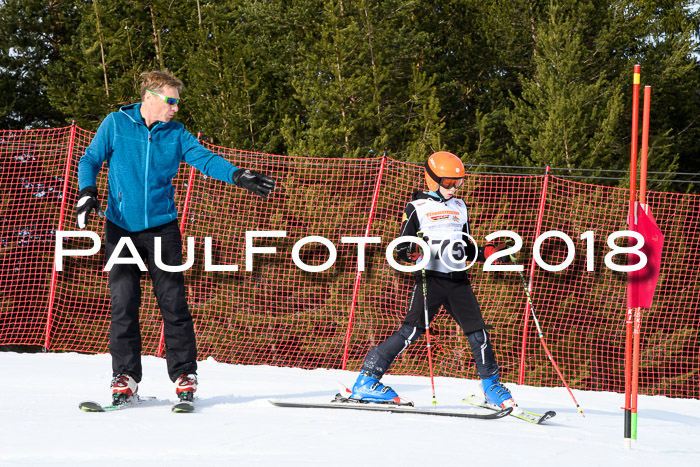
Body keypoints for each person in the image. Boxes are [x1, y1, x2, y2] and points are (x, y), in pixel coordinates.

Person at [76, 70, 275, 406]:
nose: (175, 108)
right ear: (150, 98)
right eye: (171, 101)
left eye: (177, 102)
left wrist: (238, 174)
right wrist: (87, 191)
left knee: (173, 302)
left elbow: (205, 160)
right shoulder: (116, 124)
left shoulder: (177, 133)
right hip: (120, 226)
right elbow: (91, 159)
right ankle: (125, 378)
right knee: (124, 303)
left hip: (162, 228)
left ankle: (184, 374)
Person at [350, 151, 516, 409]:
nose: (454, 188)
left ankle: (491, 386)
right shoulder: (417, 207)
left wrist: (489, 253)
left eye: (458, 183)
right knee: (412, 331)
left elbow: (466, 247)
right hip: (431, 279)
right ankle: (366, 379)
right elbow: (402, 247)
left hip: (458, 279)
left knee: (478, 332)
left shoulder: (460, 207)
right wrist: (414, 251)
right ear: (432, 180)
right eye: (448, 183)